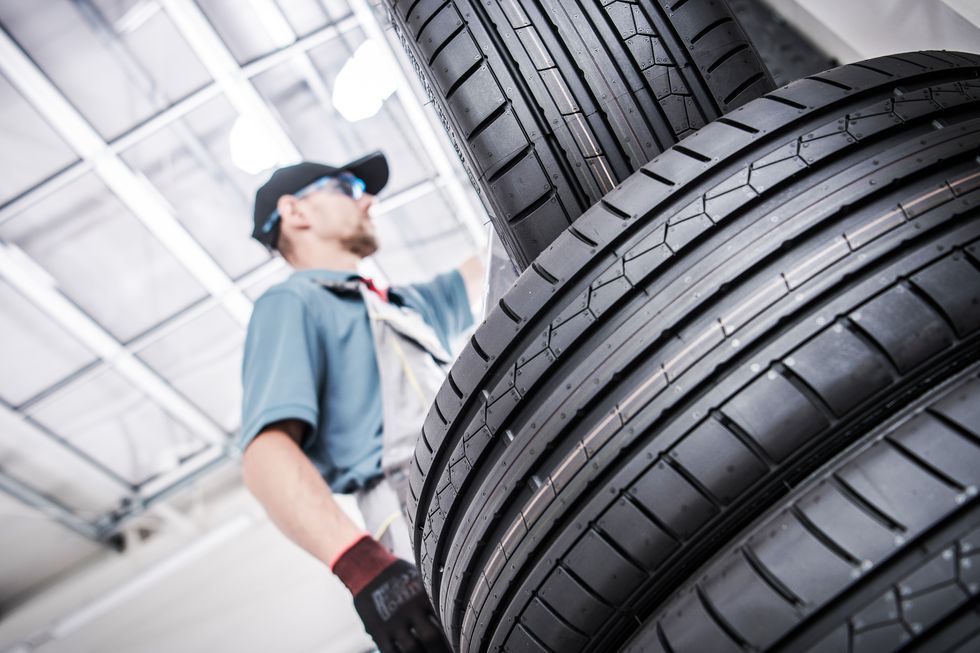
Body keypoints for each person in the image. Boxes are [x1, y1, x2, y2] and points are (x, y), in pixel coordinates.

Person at [237, 151, 481, 653]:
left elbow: (511, 250)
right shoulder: (294, 303)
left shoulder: (406, 306)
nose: (367, 200)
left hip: (489, 479)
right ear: (296, 211)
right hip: (417, 521)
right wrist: (365, 568)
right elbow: (266, 457)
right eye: (346, 188)